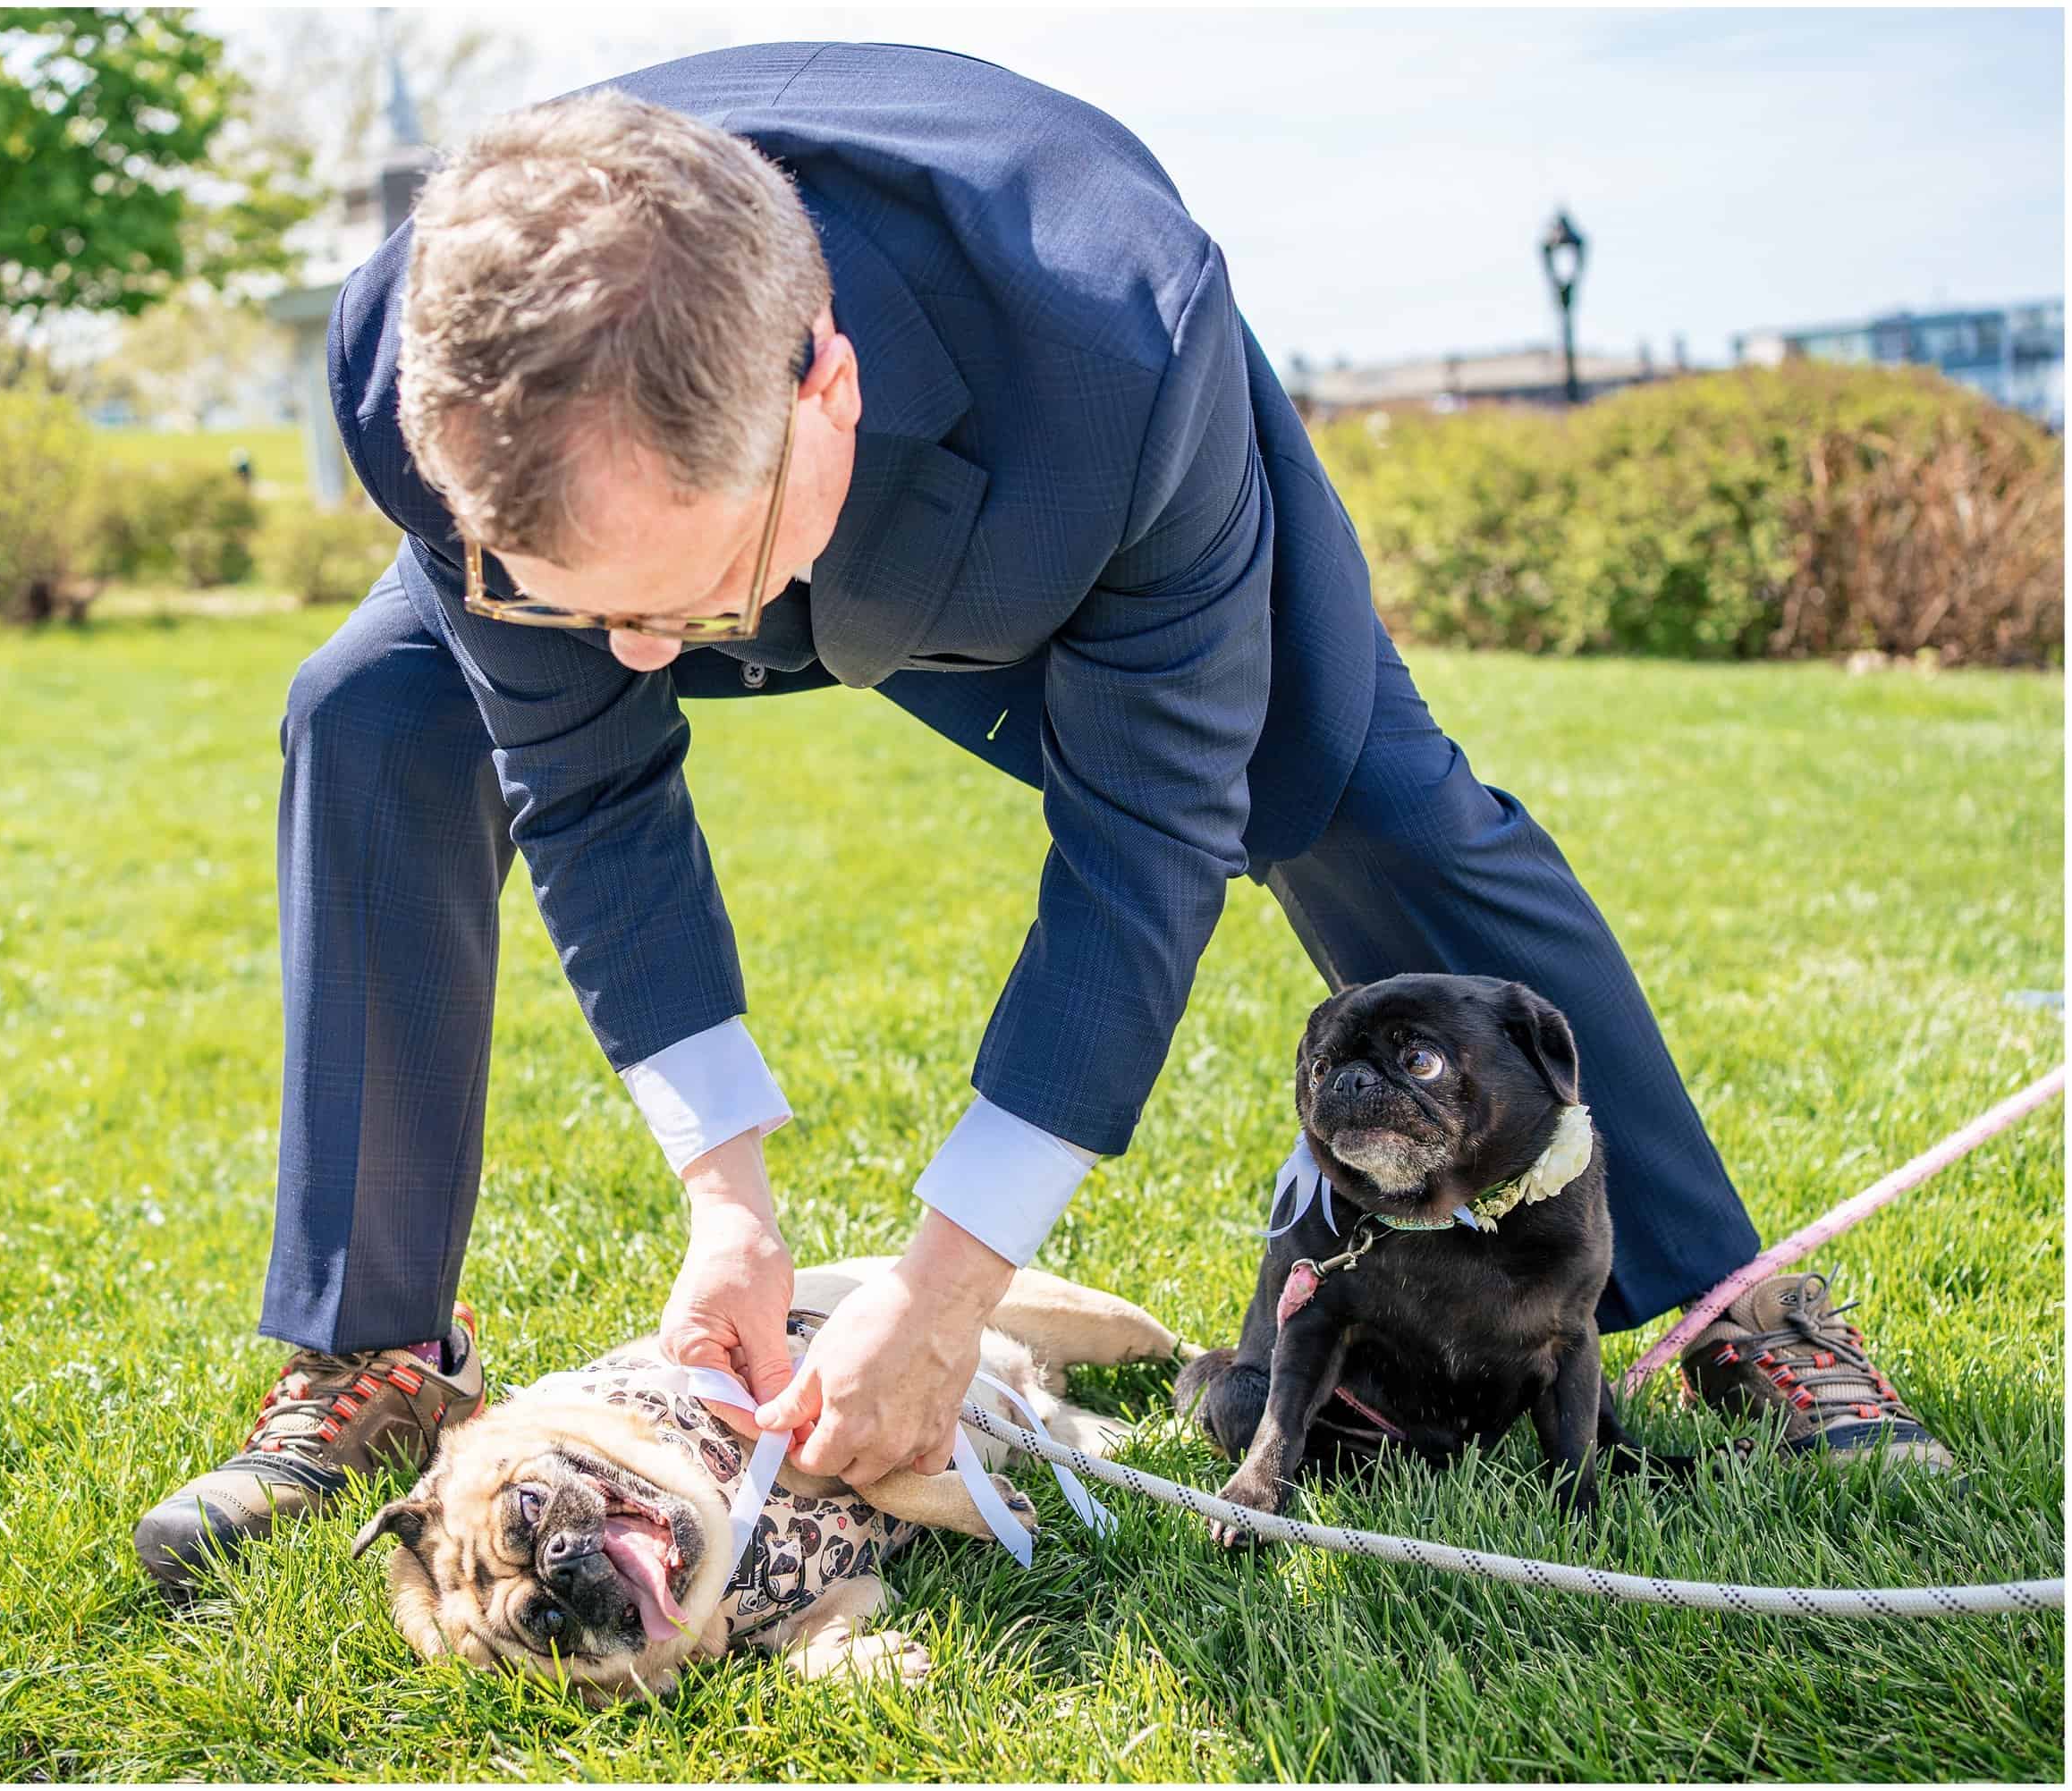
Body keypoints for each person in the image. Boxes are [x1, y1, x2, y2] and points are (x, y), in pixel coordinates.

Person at [135, 42, 1948, 1590]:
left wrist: (946, 1283)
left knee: (1355, 798)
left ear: (819, 394)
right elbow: (585, 767)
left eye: (681, 598)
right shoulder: (414, 364)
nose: (637, 655)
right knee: (371, 705)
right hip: (718, 485)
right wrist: (727, 1205)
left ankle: (1723, 1307)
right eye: (575, 596)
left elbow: (1143, 844)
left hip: (1045, 509)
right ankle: (366, 1344)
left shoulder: (1120, 343)